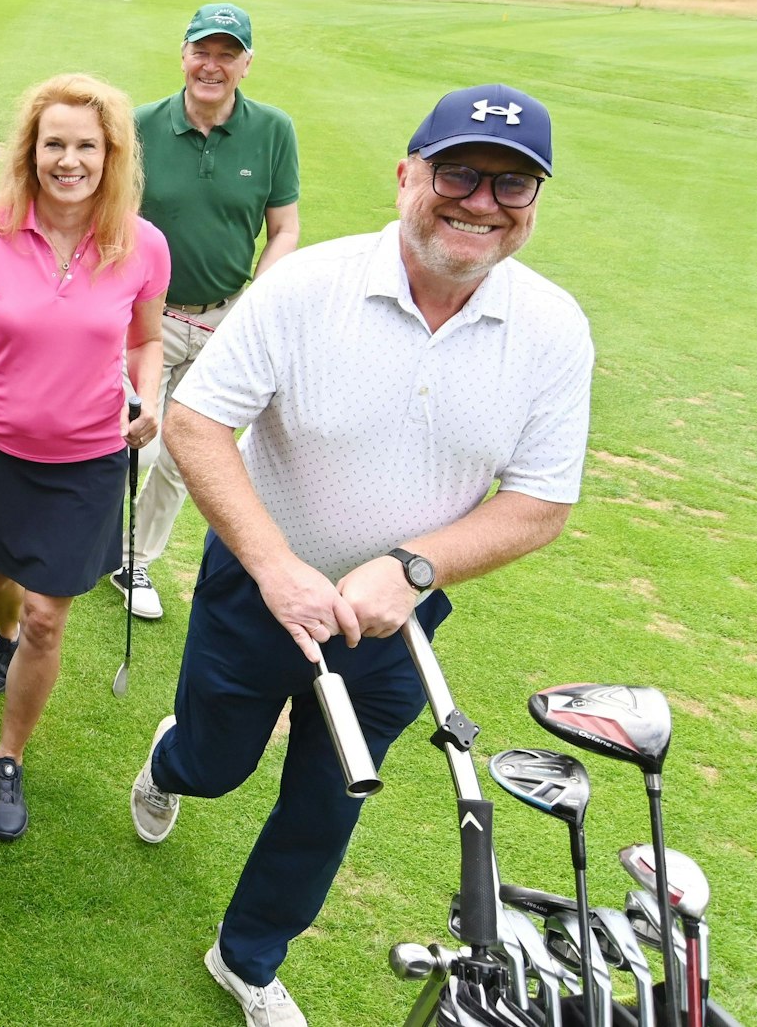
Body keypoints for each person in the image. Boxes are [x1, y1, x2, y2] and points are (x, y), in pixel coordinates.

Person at [128, 85, 591, 1027]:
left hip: (396, 620)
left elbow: (542, 501)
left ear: (534, 202)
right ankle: (172, 762)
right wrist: (274, 564)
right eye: (458, 174)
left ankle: (247, 955)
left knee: (330, 797)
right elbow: (196, 421)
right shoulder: (308, 285)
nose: (482, 202)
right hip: (259, 583)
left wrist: (414, 567)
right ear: (407, 175)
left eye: (512, 185)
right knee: (215, 763)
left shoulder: (553, 329)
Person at [0, 74, 170, 841]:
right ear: (31, 151)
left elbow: (145, 341)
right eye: (54, 145)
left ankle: (9, 755)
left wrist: (149, 397)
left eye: (86, 146)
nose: (69, 161)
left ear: (112, 154)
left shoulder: (142, 244)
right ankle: (0, 635)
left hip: (90, 461)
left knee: (47, 616)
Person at [111, 2, 301, 621]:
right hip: (148, 317)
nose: (211, 66)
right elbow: (115, 218)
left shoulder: (273, 130)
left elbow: (284, 228)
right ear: (184, 55)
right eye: (202, 51)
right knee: (132, 440)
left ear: (247, 63)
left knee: (183, 455)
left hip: (227, 319)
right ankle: (98, 537)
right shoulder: (141, 125)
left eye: (226, 54)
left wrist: (254, 306)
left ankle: (135, 560)